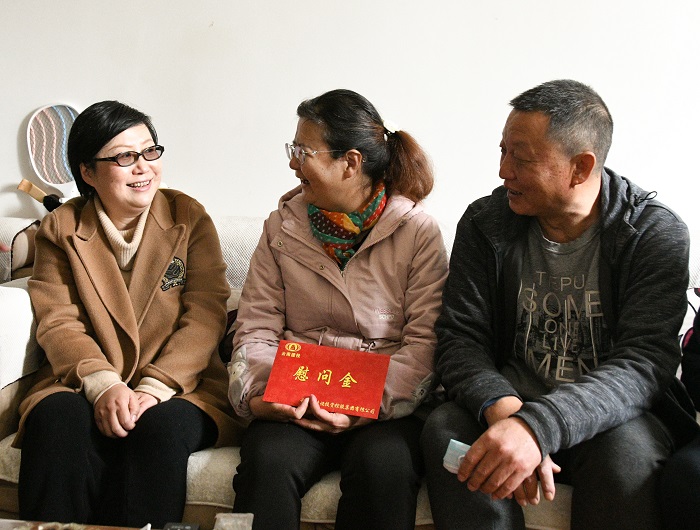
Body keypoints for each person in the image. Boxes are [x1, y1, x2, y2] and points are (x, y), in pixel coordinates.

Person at [420, 79, 698, 529]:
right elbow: (460, 337)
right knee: (445, 427)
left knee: (625, 455)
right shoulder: (485, 223)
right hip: (509, 403)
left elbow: (645, 363)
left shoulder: (651, 233)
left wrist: (538, 427)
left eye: (522, 158)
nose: (503, 170)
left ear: (580, 167)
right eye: (503, 151)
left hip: (610, 417)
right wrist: (507, 414)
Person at [227, 88, 448, 529]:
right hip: (296, 397)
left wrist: (357, 405)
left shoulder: (417, 233)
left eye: (303, 152)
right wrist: (263, 396)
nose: (293, 164)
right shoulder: (282, 227)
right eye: (292, 149)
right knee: (267, 461)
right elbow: (255, 328)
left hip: (382, 406)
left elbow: (425, 345)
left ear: (350, 162)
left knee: (384, 467)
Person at [15, 101, 239, 528]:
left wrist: (155, 387)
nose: (143, 167)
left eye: (150, 151)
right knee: (56, 419)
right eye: (124, 157)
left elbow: (206, 314)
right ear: (88, 172)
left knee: (159, 428)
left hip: (180, 385)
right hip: (83, 377)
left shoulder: (188, 217)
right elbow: (58, 320)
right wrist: (102, 384)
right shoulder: (62, 228)